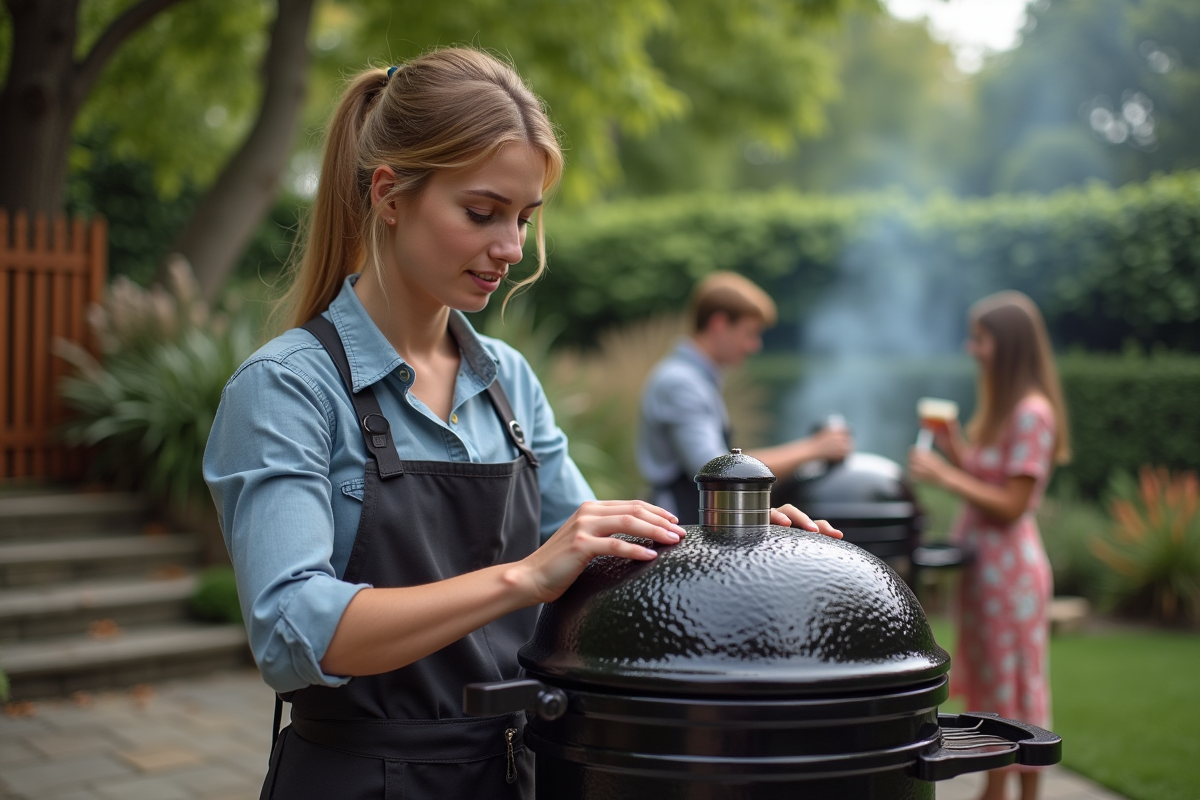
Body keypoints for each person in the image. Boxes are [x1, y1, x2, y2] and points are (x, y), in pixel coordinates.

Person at [203, 49, 841, 800]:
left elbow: (602, 554)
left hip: (515, 774)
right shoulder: (287, 389)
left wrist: (744, 550)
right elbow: (291, 633)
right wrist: (523, 577)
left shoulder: (506, 381)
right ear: (390, 196)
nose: (510, 248)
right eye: (482, 213)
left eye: (523, 218)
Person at [907, 291, 1070, 800]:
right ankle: (996, 790)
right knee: (994, 686)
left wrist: (945, 475)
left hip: (1011, 577)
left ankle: (1011, 793)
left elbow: (1013, 504)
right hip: (987, 575)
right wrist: (956, 447)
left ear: (1009, 345)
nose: (971, 347)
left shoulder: (1032, 413)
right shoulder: (1006, 409)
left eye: (980, 338)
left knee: (1016, 688)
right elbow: (994, 476)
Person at [637, 271, 853, 524]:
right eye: (750, 333)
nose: (754, 346)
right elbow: (720, 472)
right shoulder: (681, 383)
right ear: (719, 324)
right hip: (680, 526)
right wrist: (813, 449)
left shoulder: (693, 379)